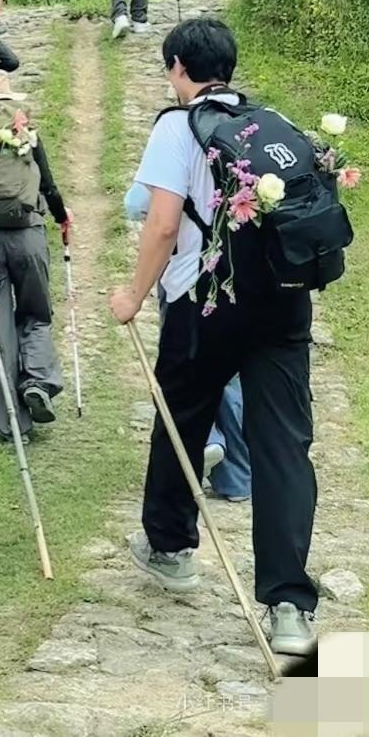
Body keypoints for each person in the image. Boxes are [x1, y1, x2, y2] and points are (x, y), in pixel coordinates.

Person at [109, 20, 318, 658]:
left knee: (182, 417)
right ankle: (289, 606)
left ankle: (170, 549)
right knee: (283, 445)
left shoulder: (177, 128)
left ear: (178, 67)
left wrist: (133, 296)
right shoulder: (270, 121)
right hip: (282, 301)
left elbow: (162, 224)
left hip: (206, 301)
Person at [125, 179, 251, 501]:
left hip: (184, 277)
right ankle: (236, 479)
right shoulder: (239, 156)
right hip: (234, 270)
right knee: (230, 376)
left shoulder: (177, 152)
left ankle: (207, 441)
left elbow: (135, 204)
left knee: (188, 366)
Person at [0, 70, 71, 435]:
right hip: (27, 233)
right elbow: (48, 183)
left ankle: (10, 420)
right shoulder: (24, 129)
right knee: (36, 312)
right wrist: (61, 216)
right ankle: (37, 381)